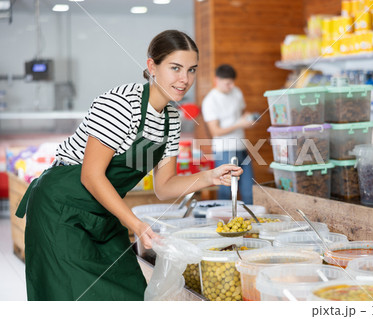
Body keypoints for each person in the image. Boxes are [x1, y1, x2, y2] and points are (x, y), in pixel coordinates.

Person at [15, 30, 243, 301]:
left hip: (103, 212)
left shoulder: (171, 118)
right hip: (61, 209)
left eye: (191, 70)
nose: (185, 79)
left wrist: (210, 176)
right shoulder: (122, 103)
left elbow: (165, 187)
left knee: (130, 294)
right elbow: (91, 175)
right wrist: (135, 224)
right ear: (151, 67)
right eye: (175, 68)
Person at [202, 64, 255, 204]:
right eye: (227, 83)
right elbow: (215, 131)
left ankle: (250, 222)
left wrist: (248, 119)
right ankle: (225, 224)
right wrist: (239, 124)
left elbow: (242, 113)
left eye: (232, 83)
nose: (231, 86)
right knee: (227, 192)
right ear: (216, 80)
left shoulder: (236, 91)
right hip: (224, 150)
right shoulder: (210, 101)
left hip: (241, 147)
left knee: (249, 190)